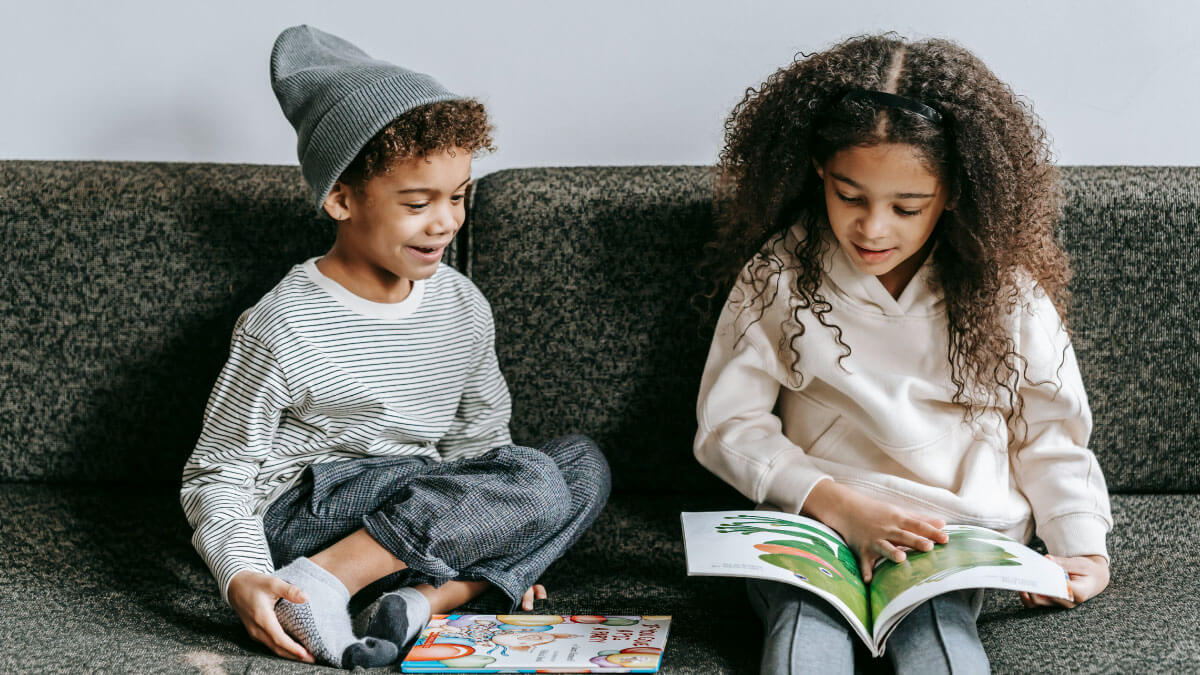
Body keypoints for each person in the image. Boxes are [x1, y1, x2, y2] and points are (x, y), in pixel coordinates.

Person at [180, 25, 610, 669]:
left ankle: (419, 600)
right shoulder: (283, 323)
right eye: (418, 203)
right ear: (341, 198)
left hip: (420, 513)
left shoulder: (463, 305)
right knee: (534, 482)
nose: (446, 222)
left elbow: (482, 447)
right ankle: (328, 580)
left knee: (580, 463)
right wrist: (239, 574)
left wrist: (509, 517)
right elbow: (218, 471)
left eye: (459, 196)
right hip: (311, 510)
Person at [694, 34, 1111, 673]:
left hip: (948, 535)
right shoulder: (779, 273)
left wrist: (1082, 547)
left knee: (939, 634)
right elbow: (729, 425)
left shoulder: (1003, 288)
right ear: (817, 172)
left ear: (952, 194)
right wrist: (836, 504)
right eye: (849, 195)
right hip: (817, 518)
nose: (873, 228)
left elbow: (1049, 430)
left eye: (907, 206)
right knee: (805, 624)